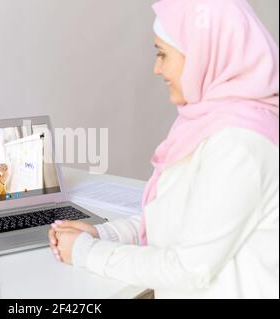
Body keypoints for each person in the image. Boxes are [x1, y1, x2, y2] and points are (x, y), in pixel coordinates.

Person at [49, 0, 279, 298]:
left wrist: (86, 252)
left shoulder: (240, 144)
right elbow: (184, 219)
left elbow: (188, 268)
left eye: (163, 54)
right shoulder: (211, 122)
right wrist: (104, 233)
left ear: (203, 55)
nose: (157, 68)